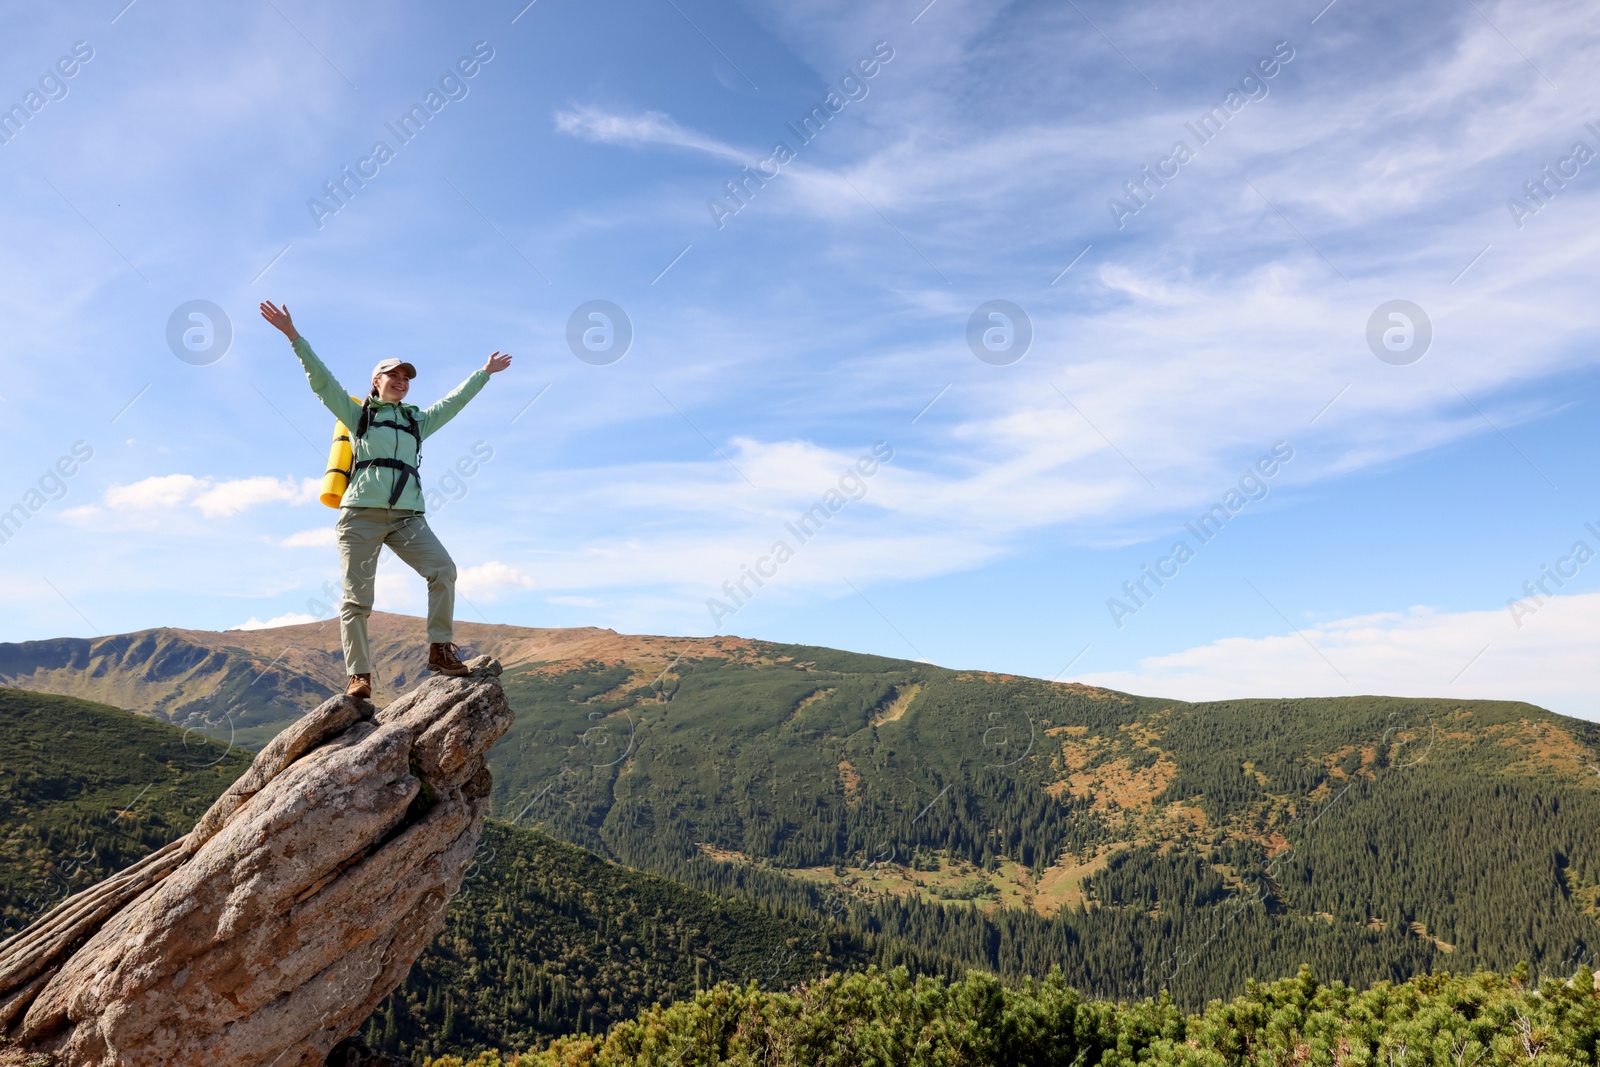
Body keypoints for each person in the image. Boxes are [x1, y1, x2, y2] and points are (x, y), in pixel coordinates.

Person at [259, 300, 512, 700]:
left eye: (405, 377)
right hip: (360, 515)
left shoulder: (416, 421)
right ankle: (359, 676)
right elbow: (321, 381)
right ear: (375, 381)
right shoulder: (358, 415)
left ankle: (440, 650)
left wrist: (483, 373)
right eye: (391, 375)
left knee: (443, 570)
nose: (401, 380)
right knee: (357, 600)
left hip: (408, 518)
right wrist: (294, 336)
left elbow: (455, 402)